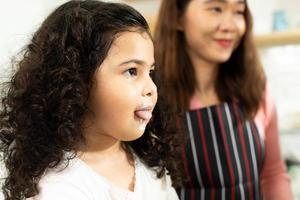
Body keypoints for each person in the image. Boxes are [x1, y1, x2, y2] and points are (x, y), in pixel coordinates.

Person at [0, 1, 180, 199]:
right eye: (132, 71)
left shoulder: (149, 162)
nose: (151, 89)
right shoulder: (60, 187)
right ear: (76, 80)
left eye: (150, 72)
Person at [154, 0, 293, 199]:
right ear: (178, 17)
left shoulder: (254, 86)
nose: (230, 25)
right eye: (216, 9)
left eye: (238, 11)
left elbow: (273, 174)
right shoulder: (150, 95)